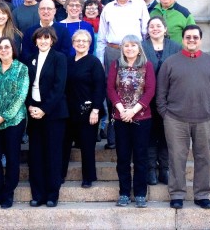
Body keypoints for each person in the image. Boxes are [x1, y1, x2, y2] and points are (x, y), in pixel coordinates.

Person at [156, 25, 210, 210]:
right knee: (176, 158)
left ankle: (202, 194)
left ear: (200, 40)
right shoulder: (170, 62)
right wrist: (165, 113)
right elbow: (161, 92)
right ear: (183, 39)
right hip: (175, 120)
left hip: (206, 119)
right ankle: (177, 194)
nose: (192, 40)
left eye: (195, 37)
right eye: (188, 37)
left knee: (203, 157)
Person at [96, 0, 149, 150]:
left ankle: (135, 130)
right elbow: (102, 38)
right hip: (113, 51)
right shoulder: (108, 9)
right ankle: (113, 136)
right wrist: (101, 61)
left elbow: (145, 31)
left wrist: (141, 52)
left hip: (135, 51)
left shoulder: (140, 5)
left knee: (136, 90)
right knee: (113, 91)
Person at [107, 35, 155, 208]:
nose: (130, 48)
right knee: (123, 157)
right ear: (122, 48)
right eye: (126, 45)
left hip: (141, 118)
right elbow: (111, 89)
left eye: (133, 45)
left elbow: (150, 90)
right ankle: (124, 192)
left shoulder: (147, 65)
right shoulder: (115, 65)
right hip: (121, 118)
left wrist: (133, 111)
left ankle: (140, 193)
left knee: (141, 157)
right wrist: (122, 110)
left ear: (139, 48)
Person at [0, 37, 29, 209]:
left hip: (14, 121)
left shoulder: (21, 69)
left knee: (12, 157)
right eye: (1, 48)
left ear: (13, 49)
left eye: (7, 47)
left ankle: (8, 194)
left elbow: (20, 96)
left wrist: (4, 117)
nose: (4, 50)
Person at [26, 27, 68, 208]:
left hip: (53, 114)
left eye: (47, 38)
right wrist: (30, 105)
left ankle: (52, 194)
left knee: (53, 154)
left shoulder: (59, 58)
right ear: (35, 41)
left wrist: (44, 109)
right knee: (36, 155)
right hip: (34, 113)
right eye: (40, 38)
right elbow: (26, 85)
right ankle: (38, 194)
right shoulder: (29, 59)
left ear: (52, 40)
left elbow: (59, 87)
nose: (43, 41)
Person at [141, 16, 182, 186]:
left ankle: (164, 168)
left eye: (159, 26)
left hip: (169, 99)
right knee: (150, 134)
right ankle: (150, 168)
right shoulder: (142, 47)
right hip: (146, 99)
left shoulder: (176, 47)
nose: (155, 28)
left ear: (165, 29)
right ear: (147, 30)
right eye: (152, 26)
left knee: (166, 134)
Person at [63, 30, 105, 189]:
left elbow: (99, 87)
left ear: (89, 44)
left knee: (87, 146)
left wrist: (95, 110)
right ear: (73, 44)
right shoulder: (67, 61)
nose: (81, 43)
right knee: (64, 144)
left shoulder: (94, 62)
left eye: (84, 41)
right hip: (68, 110)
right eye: (78, 41)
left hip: (88, 112)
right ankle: (61, 173)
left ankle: (88, 176)